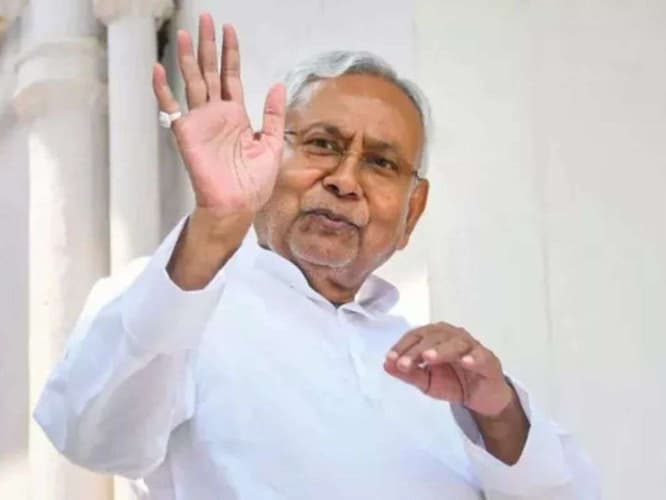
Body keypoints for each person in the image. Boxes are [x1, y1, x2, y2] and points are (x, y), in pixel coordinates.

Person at [34, 13, 599, 500]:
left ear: (413, 210)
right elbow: (89, 434)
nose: (345, 180)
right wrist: (213, 229)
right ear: (267, 157)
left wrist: (499, 416)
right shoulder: (179, 293)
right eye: (323, 145)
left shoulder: (437, 369)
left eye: (381, 163)